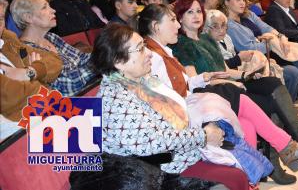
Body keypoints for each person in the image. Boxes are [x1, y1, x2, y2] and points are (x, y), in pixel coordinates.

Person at [137, 5, 298, 177]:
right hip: (184, 116)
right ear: (156, 26)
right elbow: (168, 99)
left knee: (247, 122)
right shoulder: (153, 56)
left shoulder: (164, 51)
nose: (177, 24)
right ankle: (286, 146)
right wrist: (212, 82)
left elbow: (185, 82)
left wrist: (206, 77)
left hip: (195, 101)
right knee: (233, 92)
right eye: (172, 20)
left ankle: (252, 178)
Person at [91, 24, 251, 190]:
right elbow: (152, 142)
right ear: (118, 61)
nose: (149, 54)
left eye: (144, 46)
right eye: (140, 49)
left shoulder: (141, 79)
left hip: (181, 150)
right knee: (232, 177)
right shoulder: (115, 99)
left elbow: (176, 113)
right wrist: (203, 135)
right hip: (157, 171)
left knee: (237, 146)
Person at [224, 0, 298, 101]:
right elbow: (250, 49)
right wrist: (271, 41)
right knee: (293, 71)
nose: (242, 3)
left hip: (268, 52)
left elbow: (266, 28)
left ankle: (287, 106)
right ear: (227, 2)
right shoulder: (229, 25)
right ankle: (284, 108)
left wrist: (280, 37)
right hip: (253, 62)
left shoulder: (249, 15)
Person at [11, 0, 98, 96]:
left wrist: (106, 53)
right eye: (44, 7)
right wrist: (100, 63)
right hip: (70, 106)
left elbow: (81, 57)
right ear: (28, 17)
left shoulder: (51, 37)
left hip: (90, 90)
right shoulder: (26, 51)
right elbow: (61, 87)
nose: (53, 10)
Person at [0, 0, 63, 140]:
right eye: (44, 7)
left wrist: (30, 72)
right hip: (20, 129)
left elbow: (55, 61)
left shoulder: (8, 40)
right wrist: (36, 78)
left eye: (0, 19)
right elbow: (11, 97)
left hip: (41, 115)